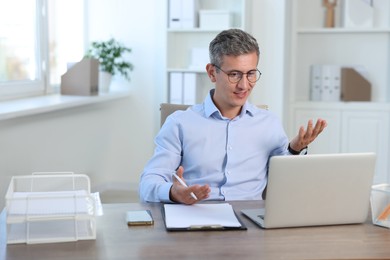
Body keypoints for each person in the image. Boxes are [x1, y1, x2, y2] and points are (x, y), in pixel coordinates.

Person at [139, 29, 327, 204]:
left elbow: (285, 181)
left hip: (251, 225)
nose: (244, 85)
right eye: (235, 74)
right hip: (196, 220)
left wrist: (294, 149)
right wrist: (173, 192)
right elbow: (149, 182)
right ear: (212, 73)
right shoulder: (179, 123)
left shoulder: (269, 123)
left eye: (251, 73)